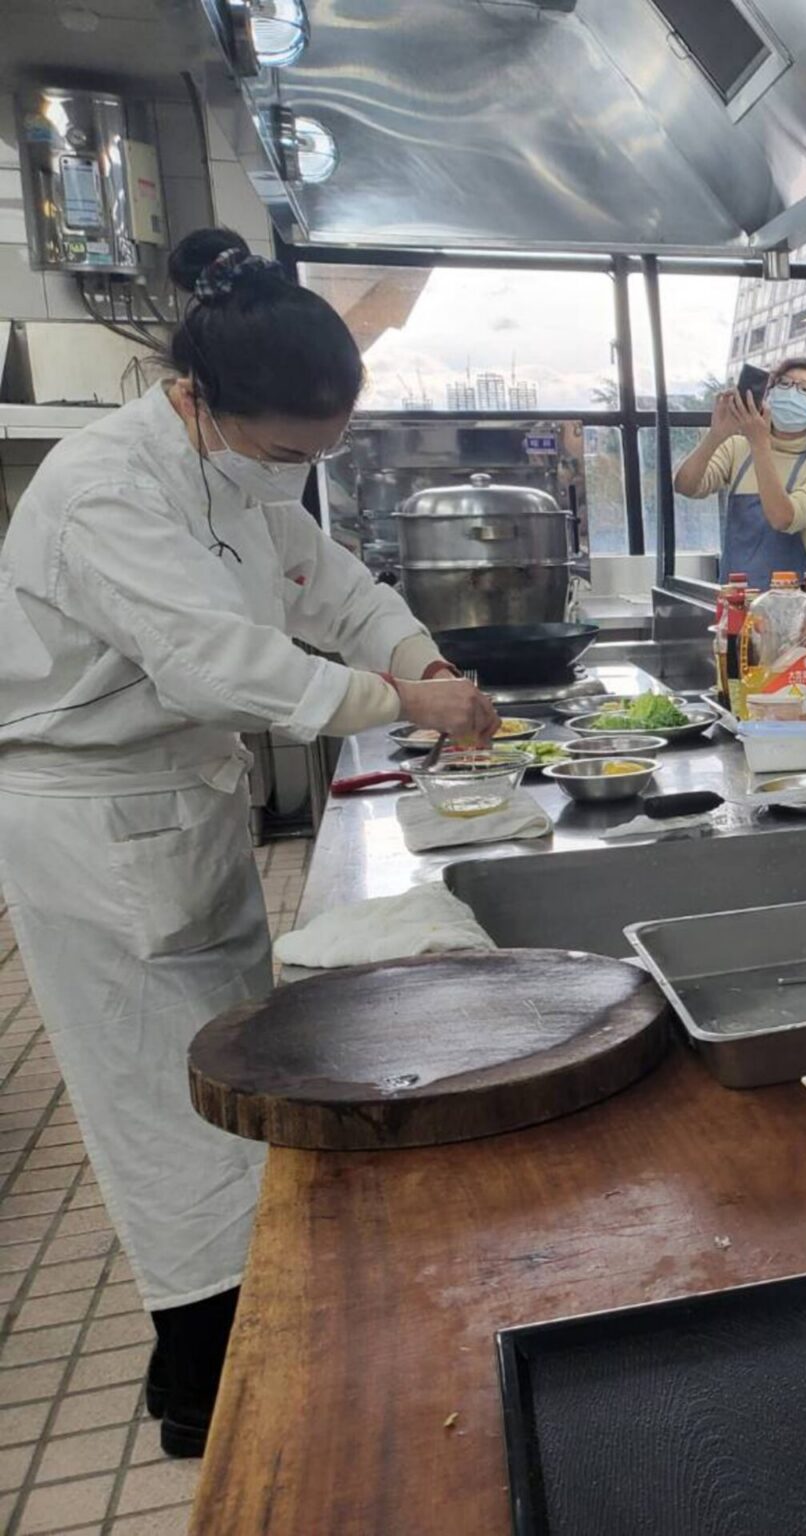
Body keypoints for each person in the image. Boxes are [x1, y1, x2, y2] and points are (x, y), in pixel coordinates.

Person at [0, 228, 498, 1456]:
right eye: (288, 451)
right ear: (194, 399)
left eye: (319, 452)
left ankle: (235, 1353)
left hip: (176, 805)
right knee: (164, 1112)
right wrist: (406, 706)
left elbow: (330, 586)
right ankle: (201, 1393)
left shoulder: (238, 472)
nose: (298, 474)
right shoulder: (107, 487)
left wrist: (417, 655)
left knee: (228, 1085)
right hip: (95, 823)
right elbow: (219, 663)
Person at [674, 356, 806, 583]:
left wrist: (759, 444)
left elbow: (782, 518)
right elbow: (684, 485)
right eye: (784, 384)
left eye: (804, 389)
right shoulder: (737, 448)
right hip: (735, 600)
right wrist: (715, 435)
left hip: (787, 604)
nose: (791, 392)